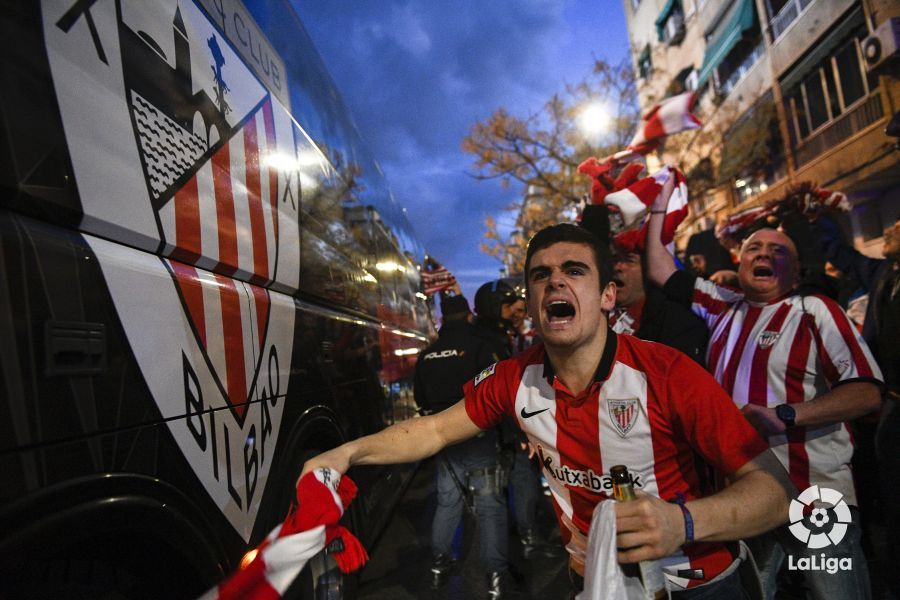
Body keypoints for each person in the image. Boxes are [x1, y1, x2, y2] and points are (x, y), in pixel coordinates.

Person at [304, 222, 795, 598]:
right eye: (541, 276)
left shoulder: (668, 373)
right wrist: (343, 454)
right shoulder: (513, 377)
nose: (556, 282)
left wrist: (681, 523)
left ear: (606, 295)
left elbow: (776, 492)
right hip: (592, 579)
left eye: (574, 271)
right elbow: (432, 431)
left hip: (693, 584)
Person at [645, 185, 884, 600]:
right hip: (746, 493)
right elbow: (661, 269)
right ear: (739, 262)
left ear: (796, 270)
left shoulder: (814, 310)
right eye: (754, 247)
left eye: (778, 250)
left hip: (815, 493)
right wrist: (658, 206)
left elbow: (866, 393)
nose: (764, 254)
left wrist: (785, 415)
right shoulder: (723, 306)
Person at [812, 212, 900, 598]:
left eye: (899, 225)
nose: (890, 228)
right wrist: (817, 216)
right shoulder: (884, 274)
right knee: (893, 494)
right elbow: (841, 253)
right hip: (893, 407)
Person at [413, 287, 516, 597]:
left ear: (443, 319)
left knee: (447, 502)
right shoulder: (480, 347)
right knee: (489, 505)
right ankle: (495, 578)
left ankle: (438, 566)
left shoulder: (426, 355)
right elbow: (498, 392)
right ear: (468, 316)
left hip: (444, 440)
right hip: (478, 436)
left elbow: (420, 399)